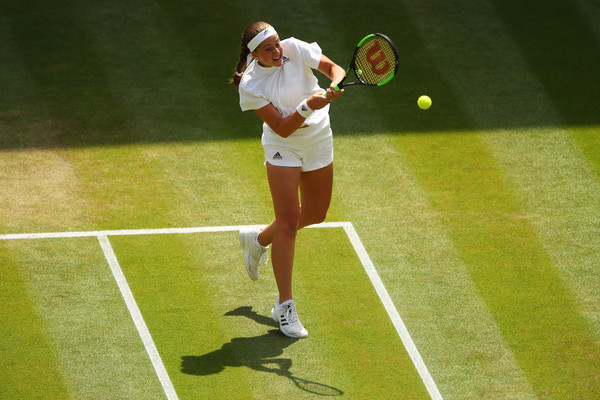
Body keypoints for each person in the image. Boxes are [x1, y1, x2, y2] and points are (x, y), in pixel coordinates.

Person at [230, 21, 345, 338]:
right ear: (256, 55)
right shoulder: (250, 84)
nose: (278, 51)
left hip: (319, 139)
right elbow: (281, 127)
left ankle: (258, 240)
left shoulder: (295, 48)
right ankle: (285, 305)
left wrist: (334, 84)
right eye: (269, 49)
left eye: (277, 43)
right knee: (289, 221)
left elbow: (334, 68)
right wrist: (309, 105)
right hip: (283, 146)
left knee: (316, 214)